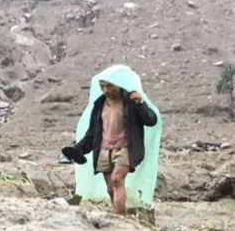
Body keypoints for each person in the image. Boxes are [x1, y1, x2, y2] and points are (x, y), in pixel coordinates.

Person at [61, 65, 161, 216]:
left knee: (116, 180)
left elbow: (151, 120)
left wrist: (140, 104)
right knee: (110, 187)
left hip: (126, 147)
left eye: (109, 86)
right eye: (102, 87)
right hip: (104, 149)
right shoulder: (99, 104)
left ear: (120, 85)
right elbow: (92, 134)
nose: (106, 90)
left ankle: (121, 219)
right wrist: (77, 150)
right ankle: (121, 213)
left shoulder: (131, 102)